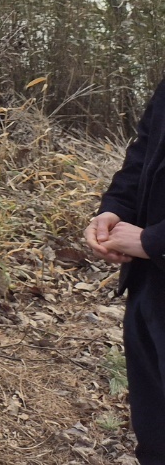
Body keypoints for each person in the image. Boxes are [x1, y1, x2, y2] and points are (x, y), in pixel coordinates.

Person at [87, 75, 165, 463]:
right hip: (150, 287)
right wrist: (114, 211)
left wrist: (153, 241)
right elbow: (146, 152)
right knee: (154, 431)